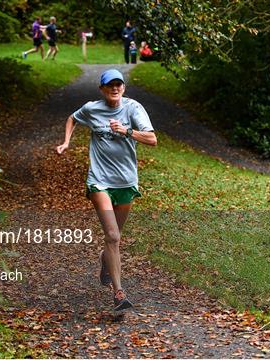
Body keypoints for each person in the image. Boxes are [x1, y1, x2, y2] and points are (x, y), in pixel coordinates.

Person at [56, 69, 157, 314]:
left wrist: (127, 131)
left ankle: (105, 260)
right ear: (102, 89)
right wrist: (67, 141)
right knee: (112, 235)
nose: (114, 88)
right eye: (109, 85)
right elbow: (72, 118)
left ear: (123, 87)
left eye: (118, 84)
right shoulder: (92, 109)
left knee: (115, 236)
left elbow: (152, 139)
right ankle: (119, 293)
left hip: (126, 182)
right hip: (99, 182)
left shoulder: (133, 109)